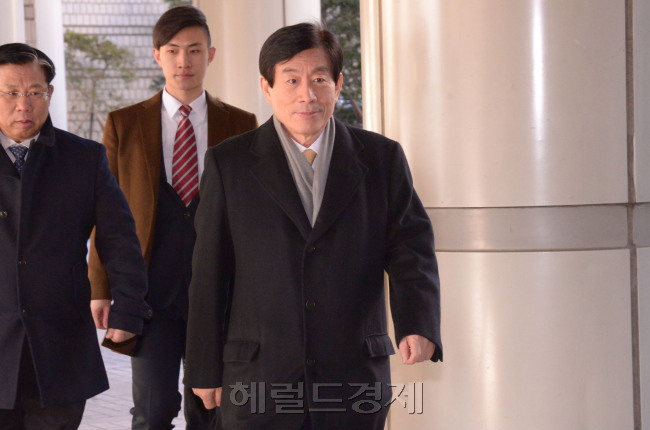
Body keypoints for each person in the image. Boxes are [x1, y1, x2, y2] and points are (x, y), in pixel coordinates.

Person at [185, 22, 442, 430]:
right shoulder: (228, 164)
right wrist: (203, 368)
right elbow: (209, 272)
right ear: (267, 88)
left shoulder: (381, 159)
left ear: (338, 86)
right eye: (291, 80)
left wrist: (417, 322)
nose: (307, 94)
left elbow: (411, 249)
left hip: (352, 373)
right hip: (258, 377)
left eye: (320, 79)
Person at [86, 5, 258, 430]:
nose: (184, 61)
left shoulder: (241, 123)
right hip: (150, 295)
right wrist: (100, 287)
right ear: (157, 55)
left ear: (210, 55)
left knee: (214, 410)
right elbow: (104, 213)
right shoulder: (124, 123)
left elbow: (252, 214)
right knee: (151, 411)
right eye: (173, 50)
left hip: (219, 293)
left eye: (195, 50)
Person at [0, 43, 151, 429]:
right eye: (11, 93)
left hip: (60, 345)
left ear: (49, 93)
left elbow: (119, 238)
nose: (23, 105)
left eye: (35, 92)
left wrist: (128, 308)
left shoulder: (83, 158)